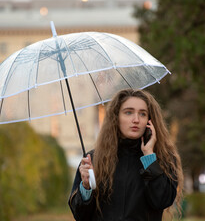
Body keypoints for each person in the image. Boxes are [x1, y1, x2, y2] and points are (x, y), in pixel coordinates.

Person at [68, 88, 184, 220]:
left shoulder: (163, 158)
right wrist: (86, 187)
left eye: (142, 114)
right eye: (128, 112)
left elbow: (162, 201)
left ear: (150, 120)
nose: (136, 119)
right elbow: (80, 215)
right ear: (116, 117)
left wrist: (149, 159)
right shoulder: (93, 160)